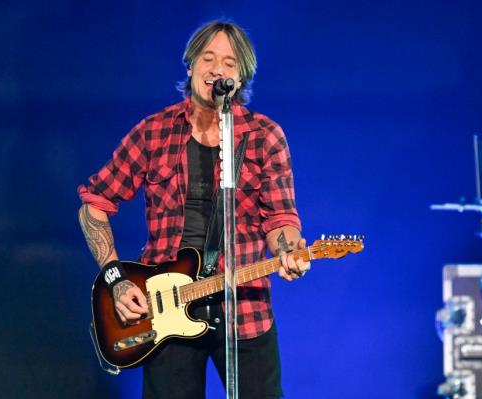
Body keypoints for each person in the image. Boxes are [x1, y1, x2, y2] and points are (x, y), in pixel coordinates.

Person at [78, 20, 310, 399]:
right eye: (209, 58)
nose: (218, 69)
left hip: (243, 312)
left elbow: (281, 219)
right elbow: (94, 205)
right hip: (165, 311)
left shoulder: (265, 137)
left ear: (243, 75)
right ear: (191, 65)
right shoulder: (153, 132)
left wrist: (288, 250)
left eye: (230, 63)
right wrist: (116, 281)